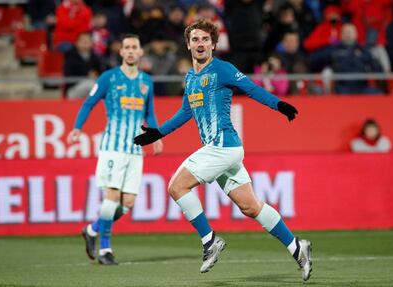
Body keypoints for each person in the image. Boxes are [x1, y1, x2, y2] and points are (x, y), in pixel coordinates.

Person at [134, 19, 312, 281]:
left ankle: (210, 241)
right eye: (195, 39)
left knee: (176, 186)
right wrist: (158, 132)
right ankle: (298, 248)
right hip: (219, 151)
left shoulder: (222, 69)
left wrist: (279, 105)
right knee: (250, 207)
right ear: (188, 44)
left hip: (223, 146)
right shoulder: (190, 77)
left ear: (214, 44)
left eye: (205, 39)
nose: (200, 43)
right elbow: (186, 112)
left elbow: (251, 89)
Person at [67, 33, 163, 265]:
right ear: (120, 52)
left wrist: (157, 135)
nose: (130, 51)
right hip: (113, 148)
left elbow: (149, 111)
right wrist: (77, 127)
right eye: (126, 47)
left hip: (135, 150)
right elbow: (89, 102)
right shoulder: (108, 78)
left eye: (134, 47)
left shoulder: (146, 81)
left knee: (128, 203)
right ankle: (105, 250)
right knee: (111, 197)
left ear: (140, 52)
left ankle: (92, 230)